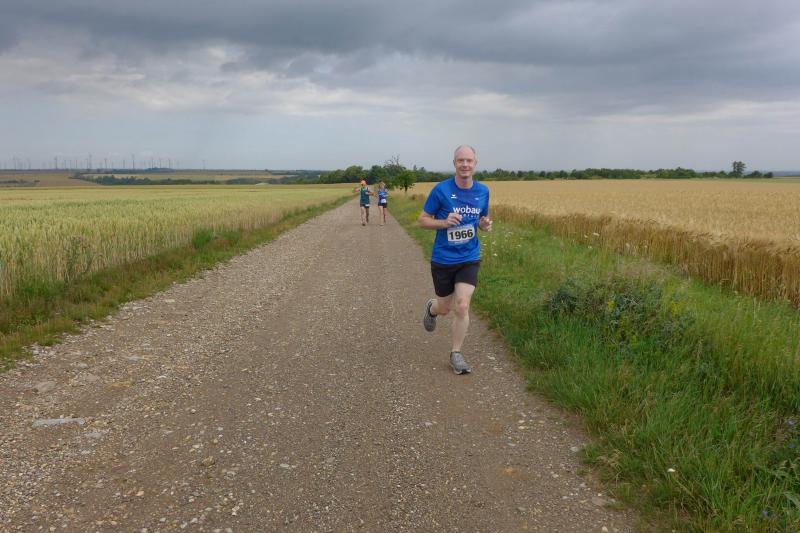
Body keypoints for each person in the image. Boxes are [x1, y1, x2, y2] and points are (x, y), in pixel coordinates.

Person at [418, 145, 492, 374]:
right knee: (444, 307)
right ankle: (432, 309)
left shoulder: (483, 191)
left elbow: (483, 220)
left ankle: (456, 354)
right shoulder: (441, 190)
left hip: (469, 257)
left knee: (462, 304)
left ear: (475, 164)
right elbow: (422, 220)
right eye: (461, 160)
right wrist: (443, 222)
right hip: (443, 258)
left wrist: (485, 225)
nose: (465, 165)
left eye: (469, 160)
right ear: (454, 163)